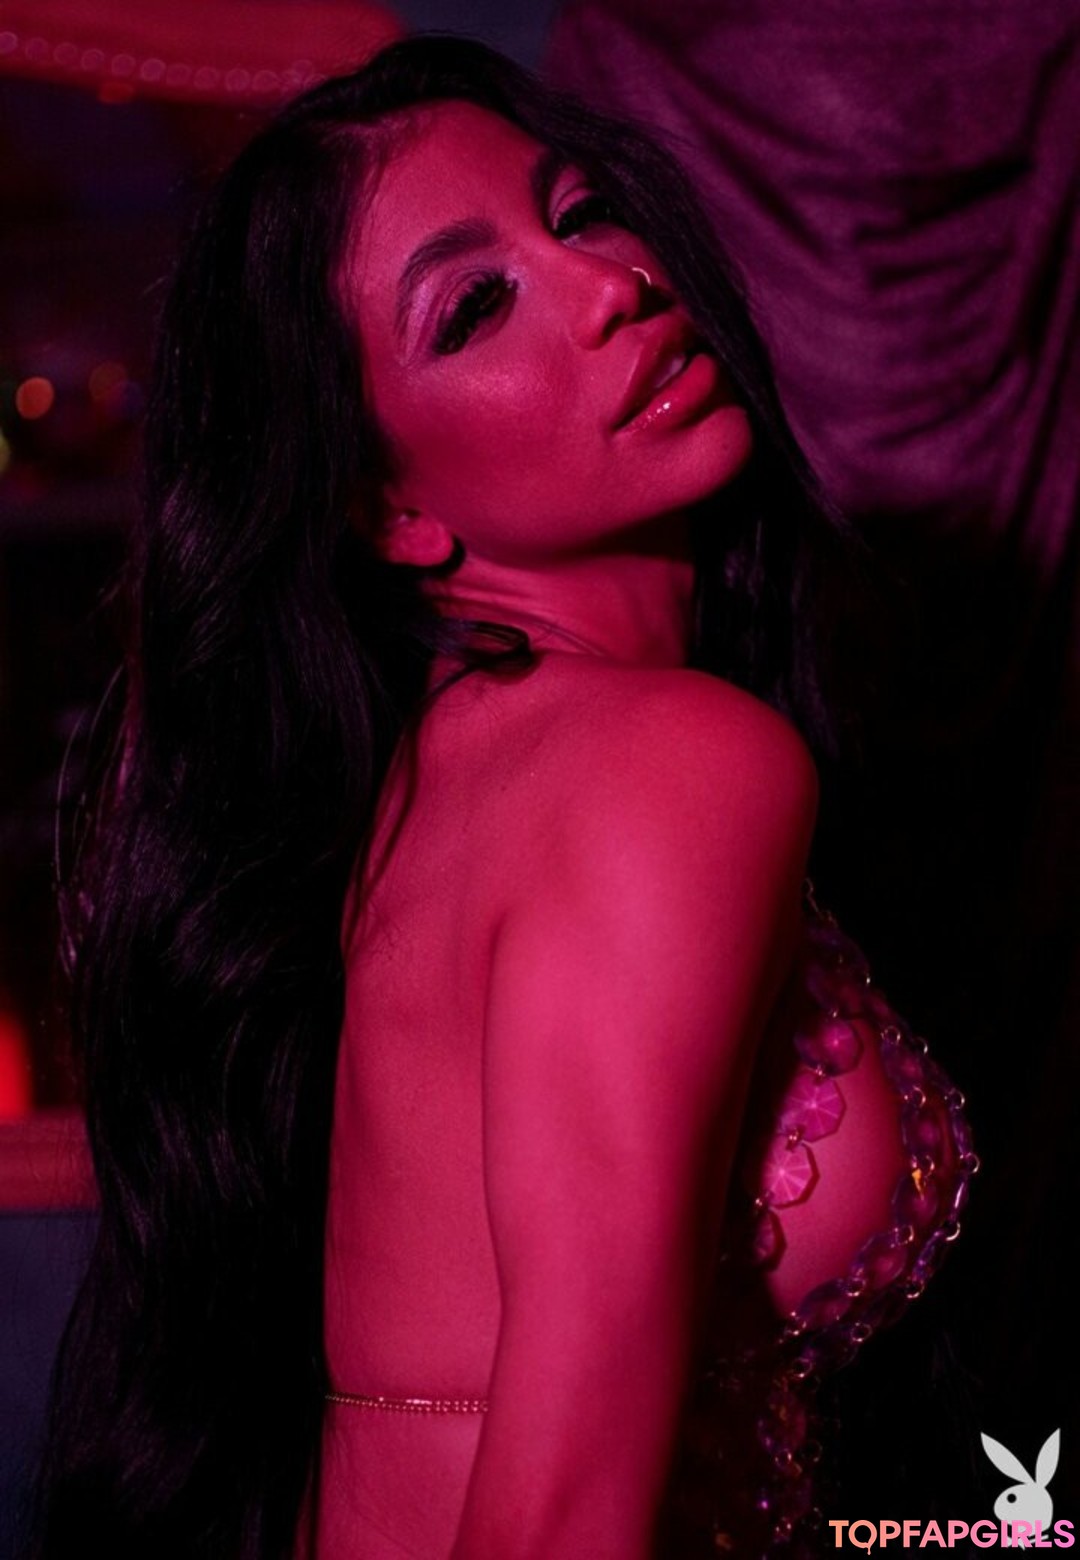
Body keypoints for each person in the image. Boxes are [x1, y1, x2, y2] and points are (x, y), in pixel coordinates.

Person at [31, 35, 976, 1560]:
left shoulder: (462, 770)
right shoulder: (664, 765)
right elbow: (557, 1524)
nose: (610, 286)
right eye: (475, 307)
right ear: (387, 506)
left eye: (583, 213)